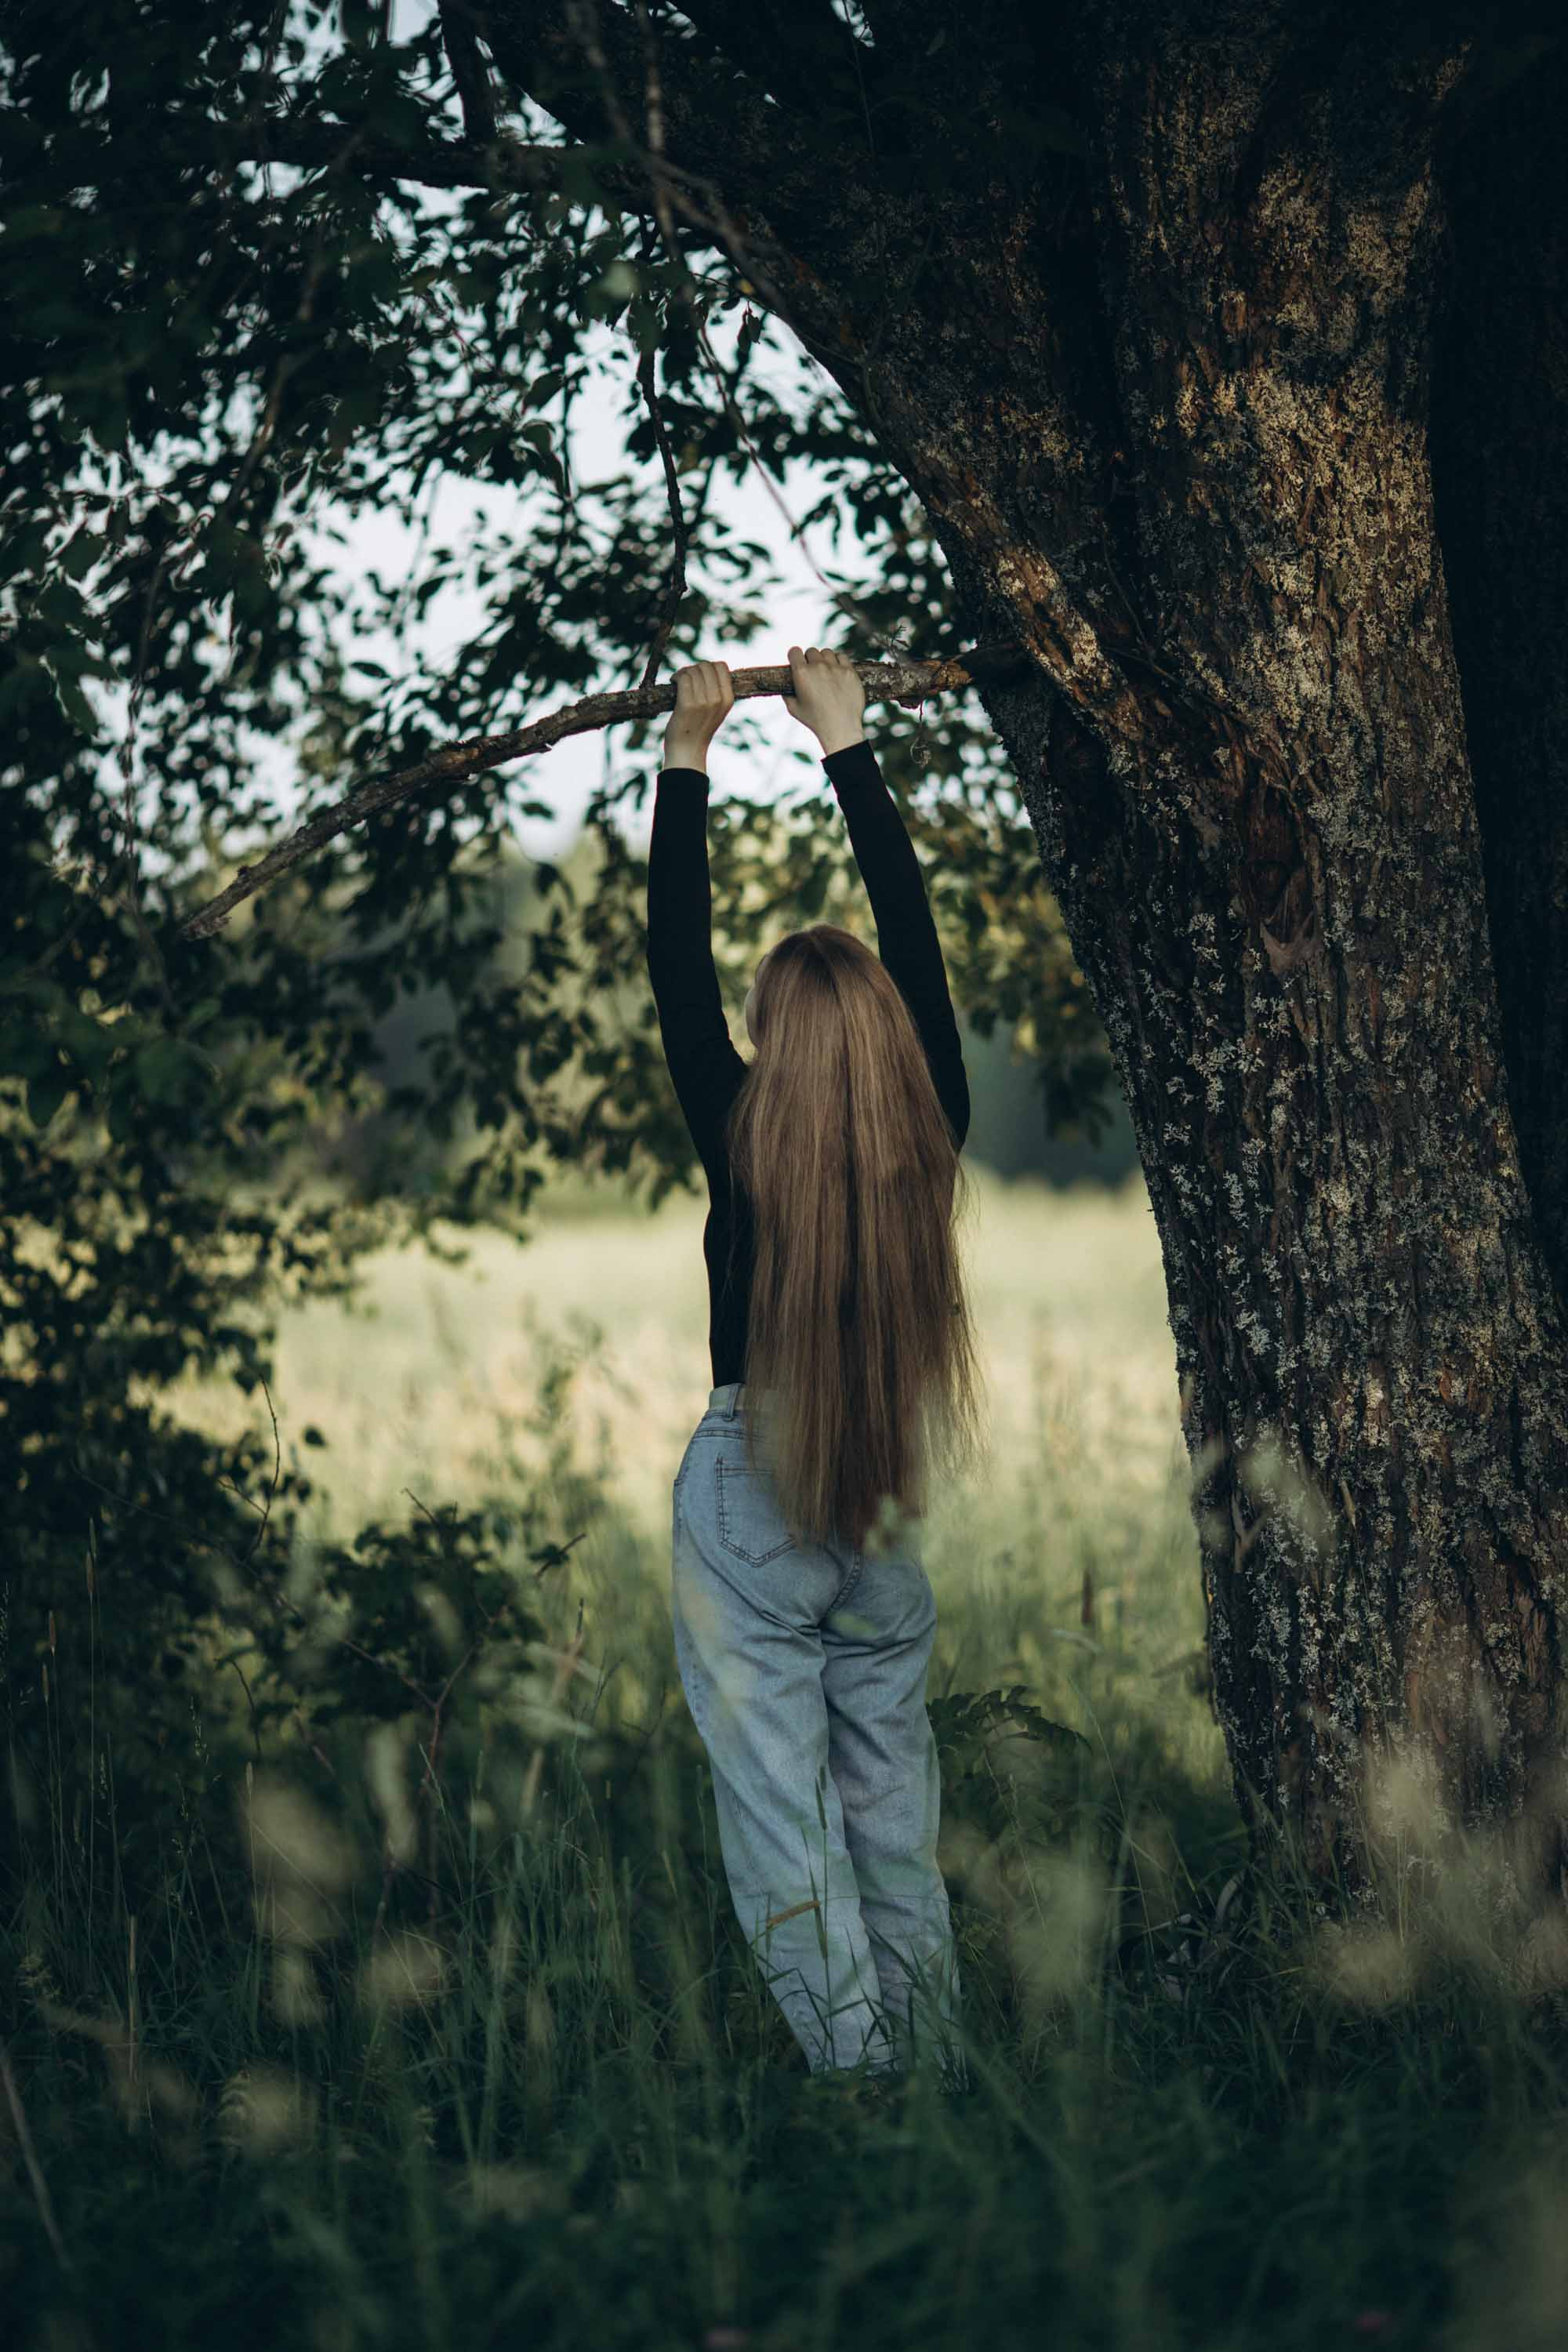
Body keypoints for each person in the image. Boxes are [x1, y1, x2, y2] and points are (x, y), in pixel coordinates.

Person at [645, 643, 989, 2090]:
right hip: (879, 1499)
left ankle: (863, 2098)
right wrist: (849, 746)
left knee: (786, 1826)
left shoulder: (739, 1131)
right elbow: (913, 955)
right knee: (891, 1817)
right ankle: (940, 2075)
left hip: (748, 1493)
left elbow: (674, 961)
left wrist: (687, 751)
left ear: (774, 1046)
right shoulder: (935, 1131)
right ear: (894, 1053)